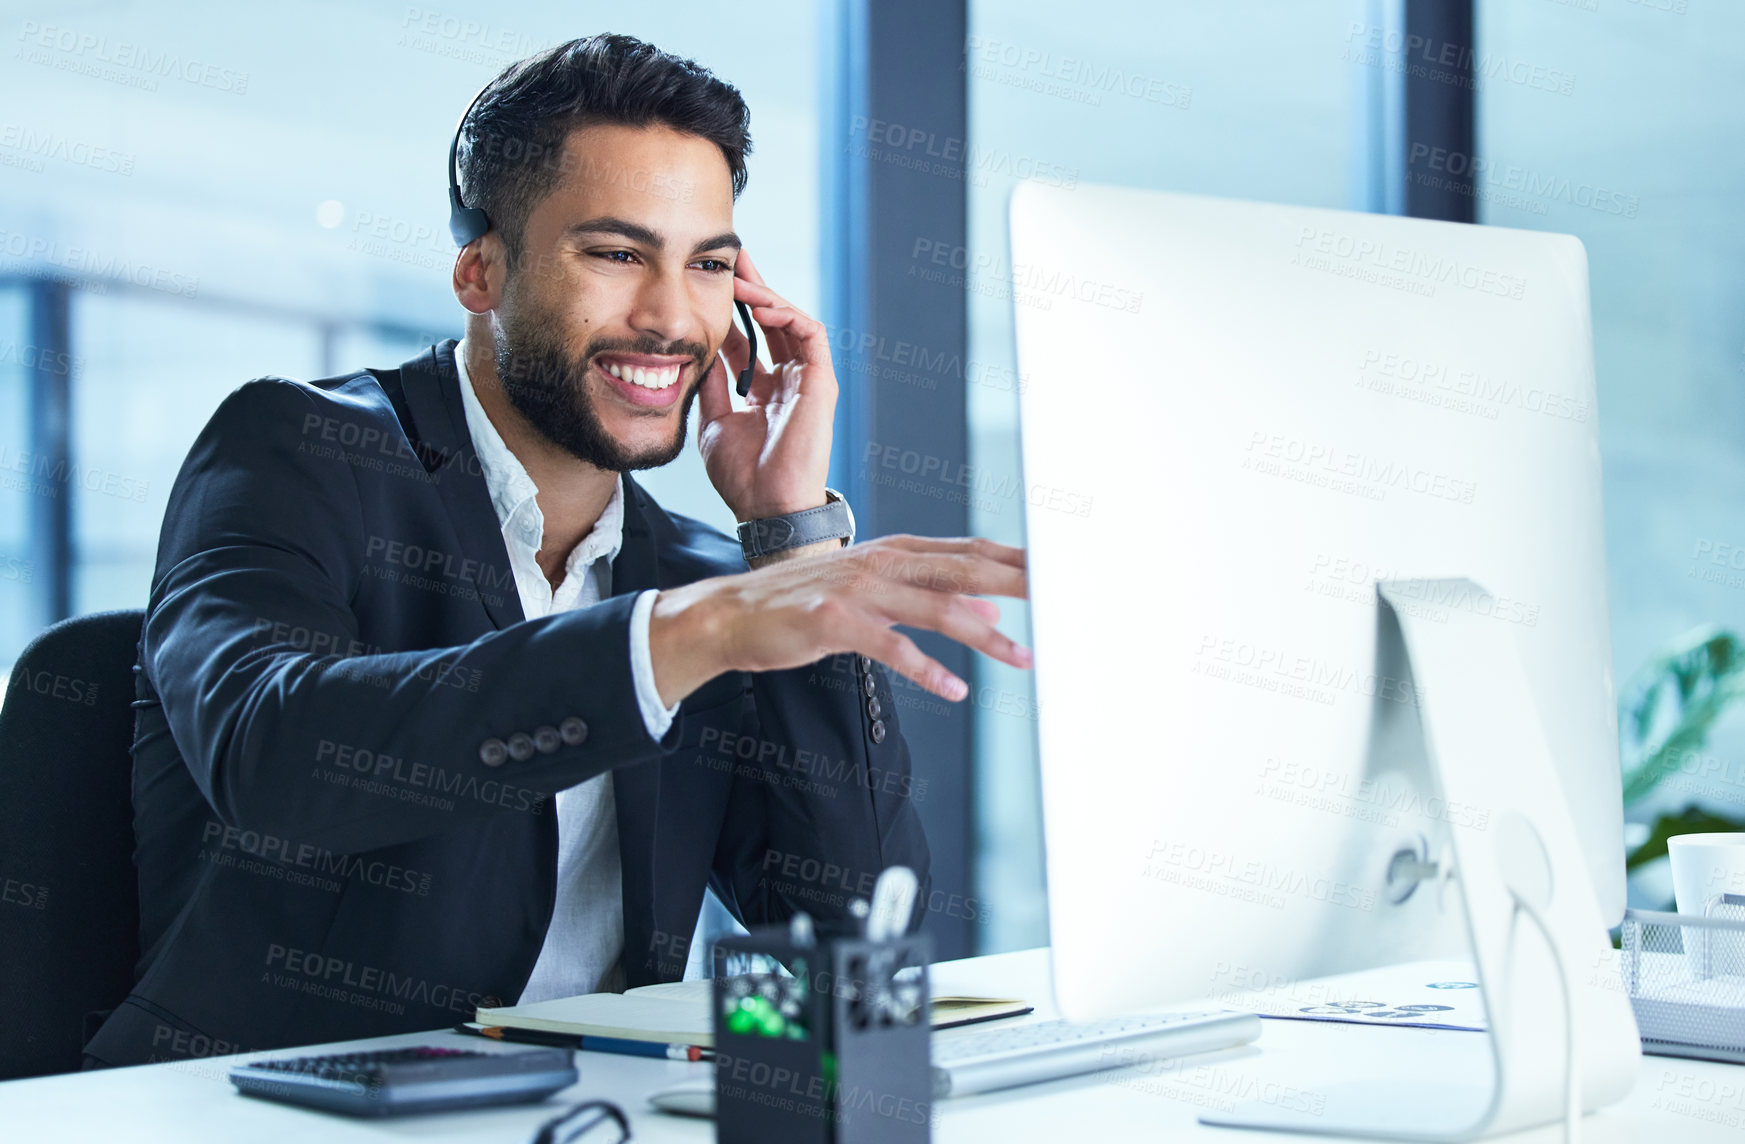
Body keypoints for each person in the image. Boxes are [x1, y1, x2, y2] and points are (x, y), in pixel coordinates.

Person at [83, 32, 1030, 1068]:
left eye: (707, 264)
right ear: (480, 270)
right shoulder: (300, 450)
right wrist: (670, 640)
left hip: (587, 1109)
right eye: (617, 254)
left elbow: (850, 924)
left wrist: (786, 535)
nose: (672, 317)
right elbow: (268, 752)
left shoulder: (703, 583)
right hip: (264, 1109)